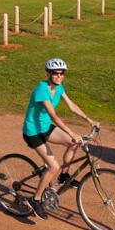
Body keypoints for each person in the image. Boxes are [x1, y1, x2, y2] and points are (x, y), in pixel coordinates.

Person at [21, 57, 99, 220]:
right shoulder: (42, 89)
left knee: (73, 144)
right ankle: (35, 200)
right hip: (33, 131)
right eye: (55, 73)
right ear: (48, 73)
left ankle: (65, 176)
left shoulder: (59, 87)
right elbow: (54, 116)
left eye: (61, 73)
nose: (58, 76)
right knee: (53, 166)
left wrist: (89, 120)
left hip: (44, 127)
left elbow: (71, 106)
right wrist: (71, 132)